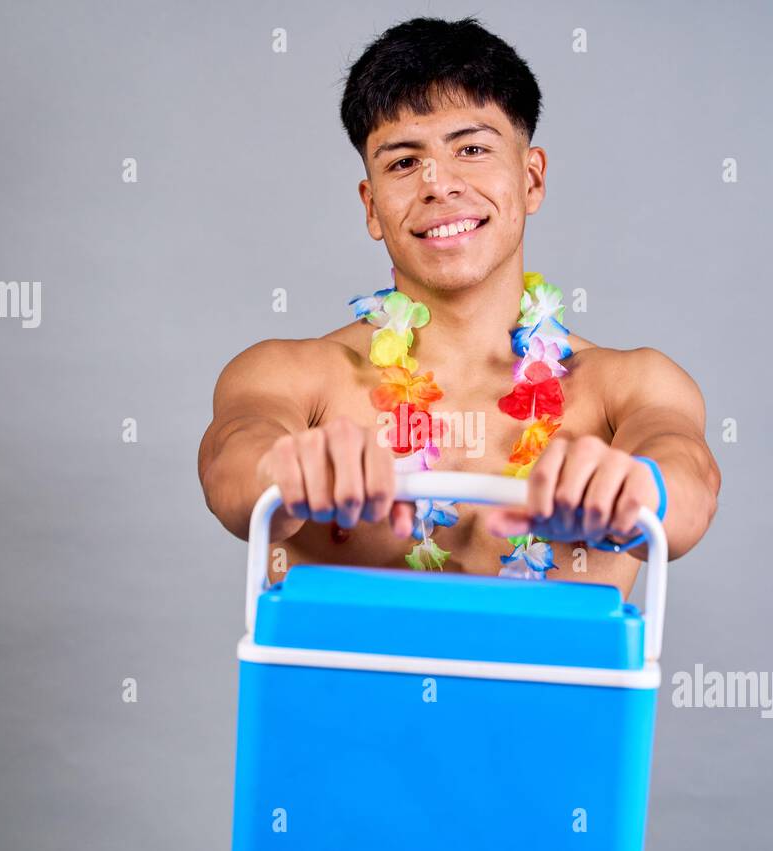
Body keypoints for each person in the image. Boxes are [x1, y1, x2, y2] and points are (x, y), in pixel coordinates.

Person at [198, 16, 721, 598]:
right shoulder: (295, 376)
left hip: (552, 691)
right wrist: (283, 473)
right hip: (340, 692)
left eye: (471, 149)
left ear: (531, 179)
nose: (438, 185)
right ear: (371, 207)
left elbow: (689, 483)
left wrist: (635, 490)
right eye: (402, 162)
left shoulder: (628, 386)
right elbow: (231, 463)